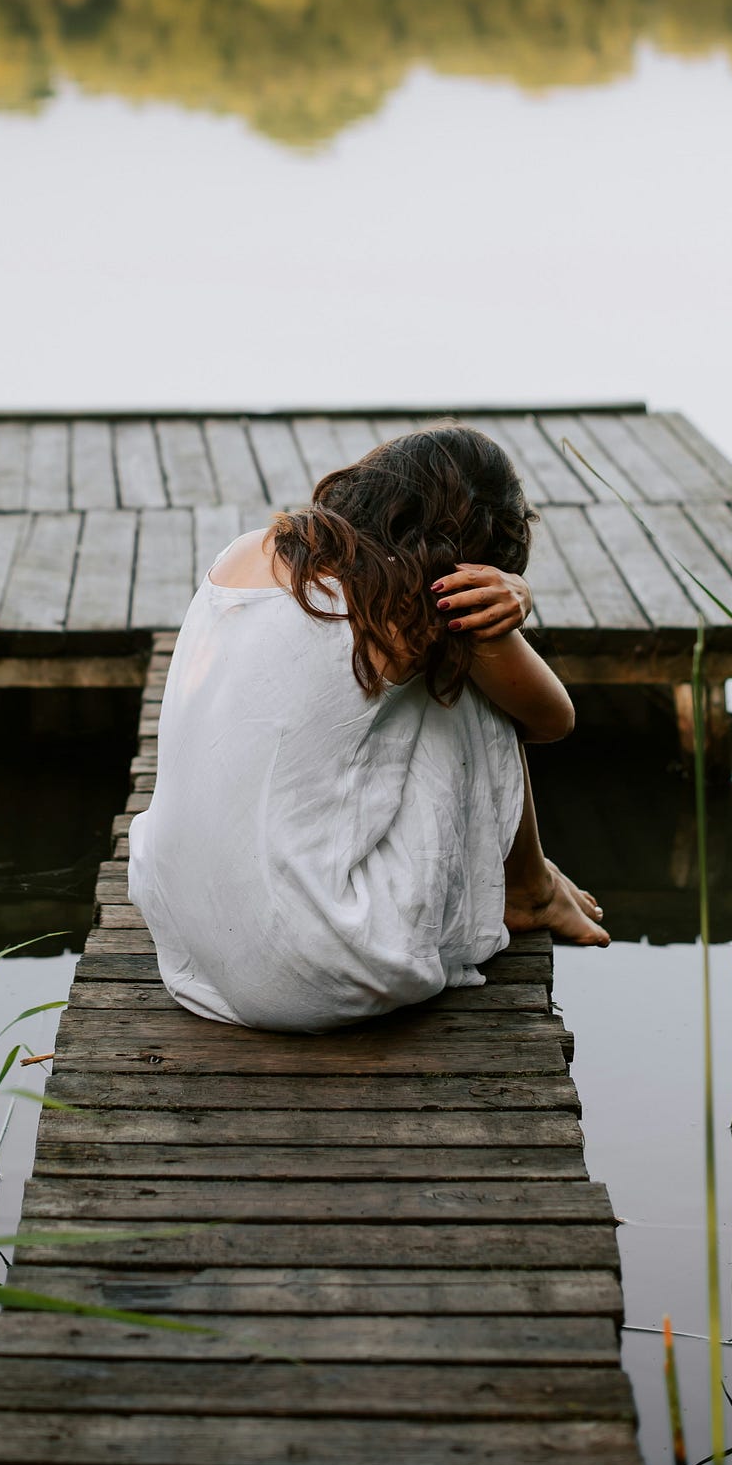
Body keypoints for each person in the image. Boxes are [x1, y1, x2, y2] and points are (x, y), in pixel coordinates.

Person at [128, 423, 608, 1034]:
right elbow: (550, 720)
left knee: (429, 679)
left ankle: (533, 885)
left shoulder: (247, 550)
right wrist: (508, 605)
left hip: (190, 945)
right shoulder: (416, 607)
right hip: (315, 971)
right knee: (476, 689)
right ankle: (530, 889)